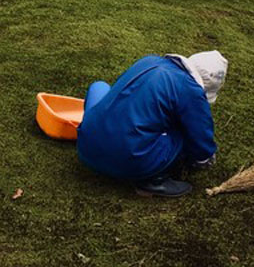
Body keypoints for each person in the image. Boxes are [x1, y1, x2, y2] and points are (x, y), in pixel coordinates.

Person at [77, 51, 228, 198]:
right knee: (183, 130)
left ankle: (95, 135)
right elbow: (199, 137)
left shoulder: (149, 60)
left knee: (100, 87)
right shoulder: (191, 90)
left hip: (85, 146)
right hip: (128, 160)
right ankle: (153, 180)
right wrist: (204, 159)